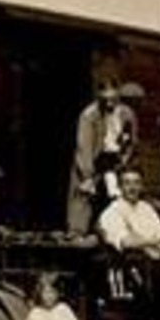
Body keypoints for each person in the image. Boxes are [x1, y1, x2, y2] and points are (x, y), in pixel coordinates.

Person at [67, 79, 138, 235]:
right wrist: (87, 174)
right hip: (94, 158)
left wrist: (125, 160)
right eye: (105, 100)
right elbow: (83, 146)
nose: (109, 104)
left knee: (116, 196)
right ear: (99, 97)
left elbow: (131, 140)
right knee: (85, 193)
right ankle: (78, 232)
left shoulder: (127, 114)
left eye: (113, 99)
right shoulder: (89, 115)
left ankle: (117, 232)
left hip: (115, 159)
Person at [97, 168, 160, 256]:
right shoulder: (112, 212)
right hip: (131, 264)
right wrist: (155, 241)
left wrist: (143, 240)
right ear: (120, 187)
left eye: (137, 183)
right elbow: (127, 242)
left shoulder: (147, 208)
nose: (132, 188)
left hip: (157, 260)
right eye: (127, 183)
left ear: (141, 186)